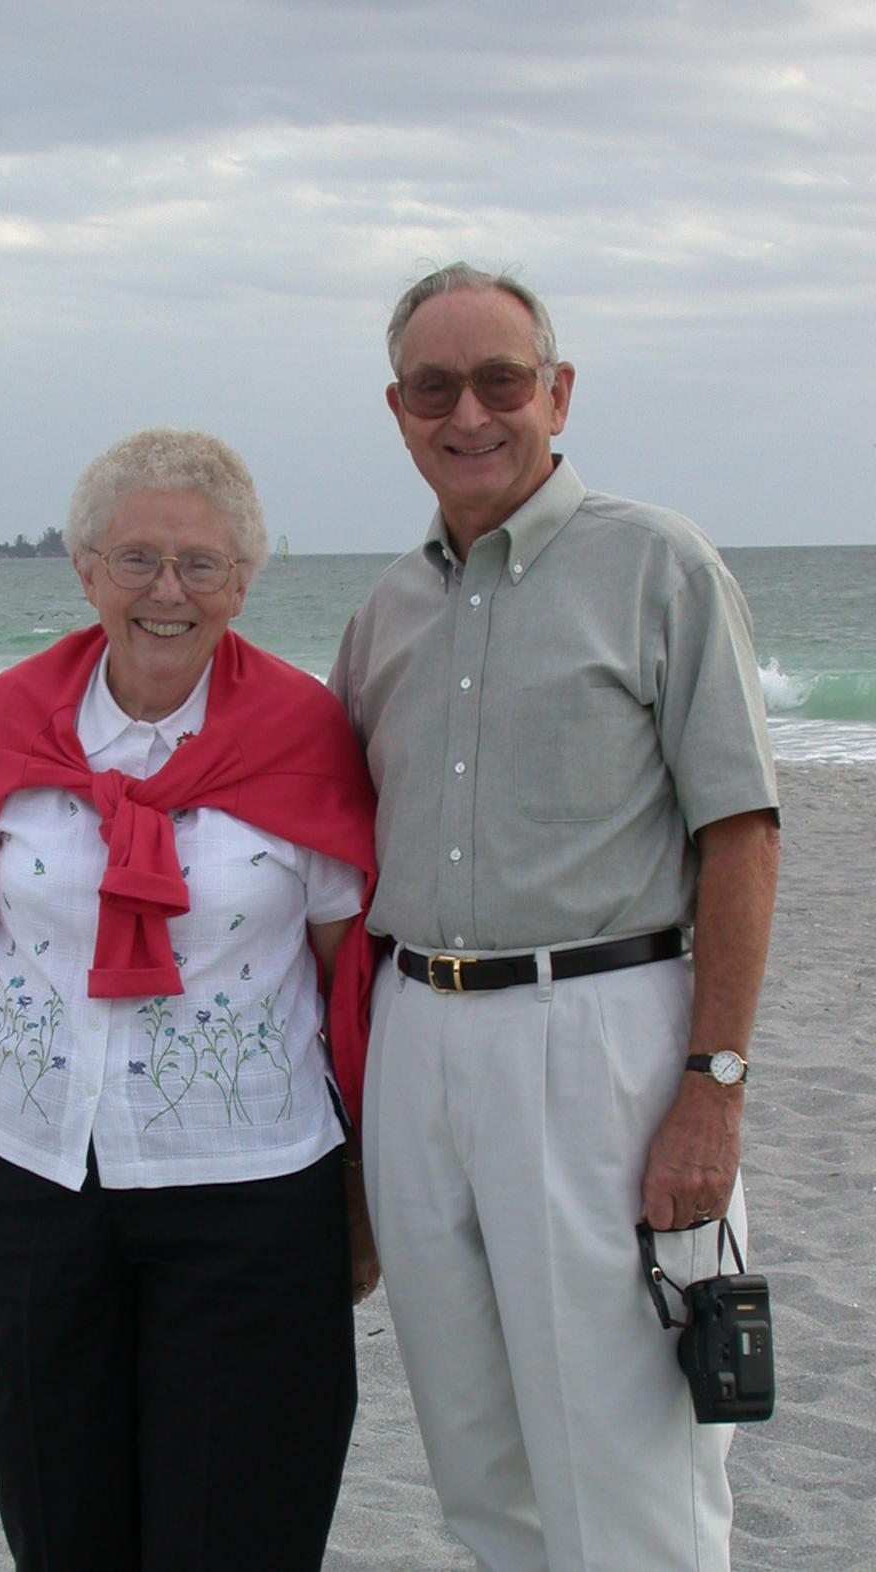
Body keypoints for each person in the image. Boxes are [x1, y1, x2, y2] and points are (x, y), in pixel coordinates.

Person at [330, 264, 780, 1572]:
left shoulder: (658, 565)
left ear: (557, 393)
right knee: (480, 1468)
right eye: (434, 387)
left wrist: (716, 1086)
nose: (469, 412)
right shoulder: (385, 613)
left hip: (602, 1042)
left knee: (631, 1471)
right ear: (398, 410)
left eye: (501, 381)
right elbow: (345, 870)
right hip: (418, 1040)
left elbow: (741, 836)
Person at [0, 427, 379, 1572]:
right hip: (30, 1188)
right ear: (85, 568)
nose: (168, 591)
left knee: (238, 1535)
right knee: (59, 1531)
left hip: (249, 1201)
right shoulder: (12, 719)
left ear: (245, 581)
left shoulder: (304, 735)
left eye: (201, 564)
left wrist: (360, 1193)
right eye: (137, 559)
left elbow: (349, 981)